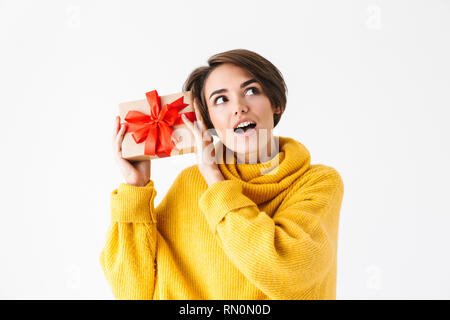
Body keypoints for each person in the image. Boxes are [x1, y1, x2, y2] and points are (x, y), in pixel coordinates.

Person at [100, 49, 344, 300]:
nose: (239, 107)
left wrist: (214, 179)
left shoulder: (318, 182)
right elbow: (131, 291)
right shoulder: (190, 184)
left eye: (251, 91)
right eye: (220, 100)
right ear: (208, 121)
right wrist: (136, 190)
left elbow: (285, 270)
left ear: (276, 103)